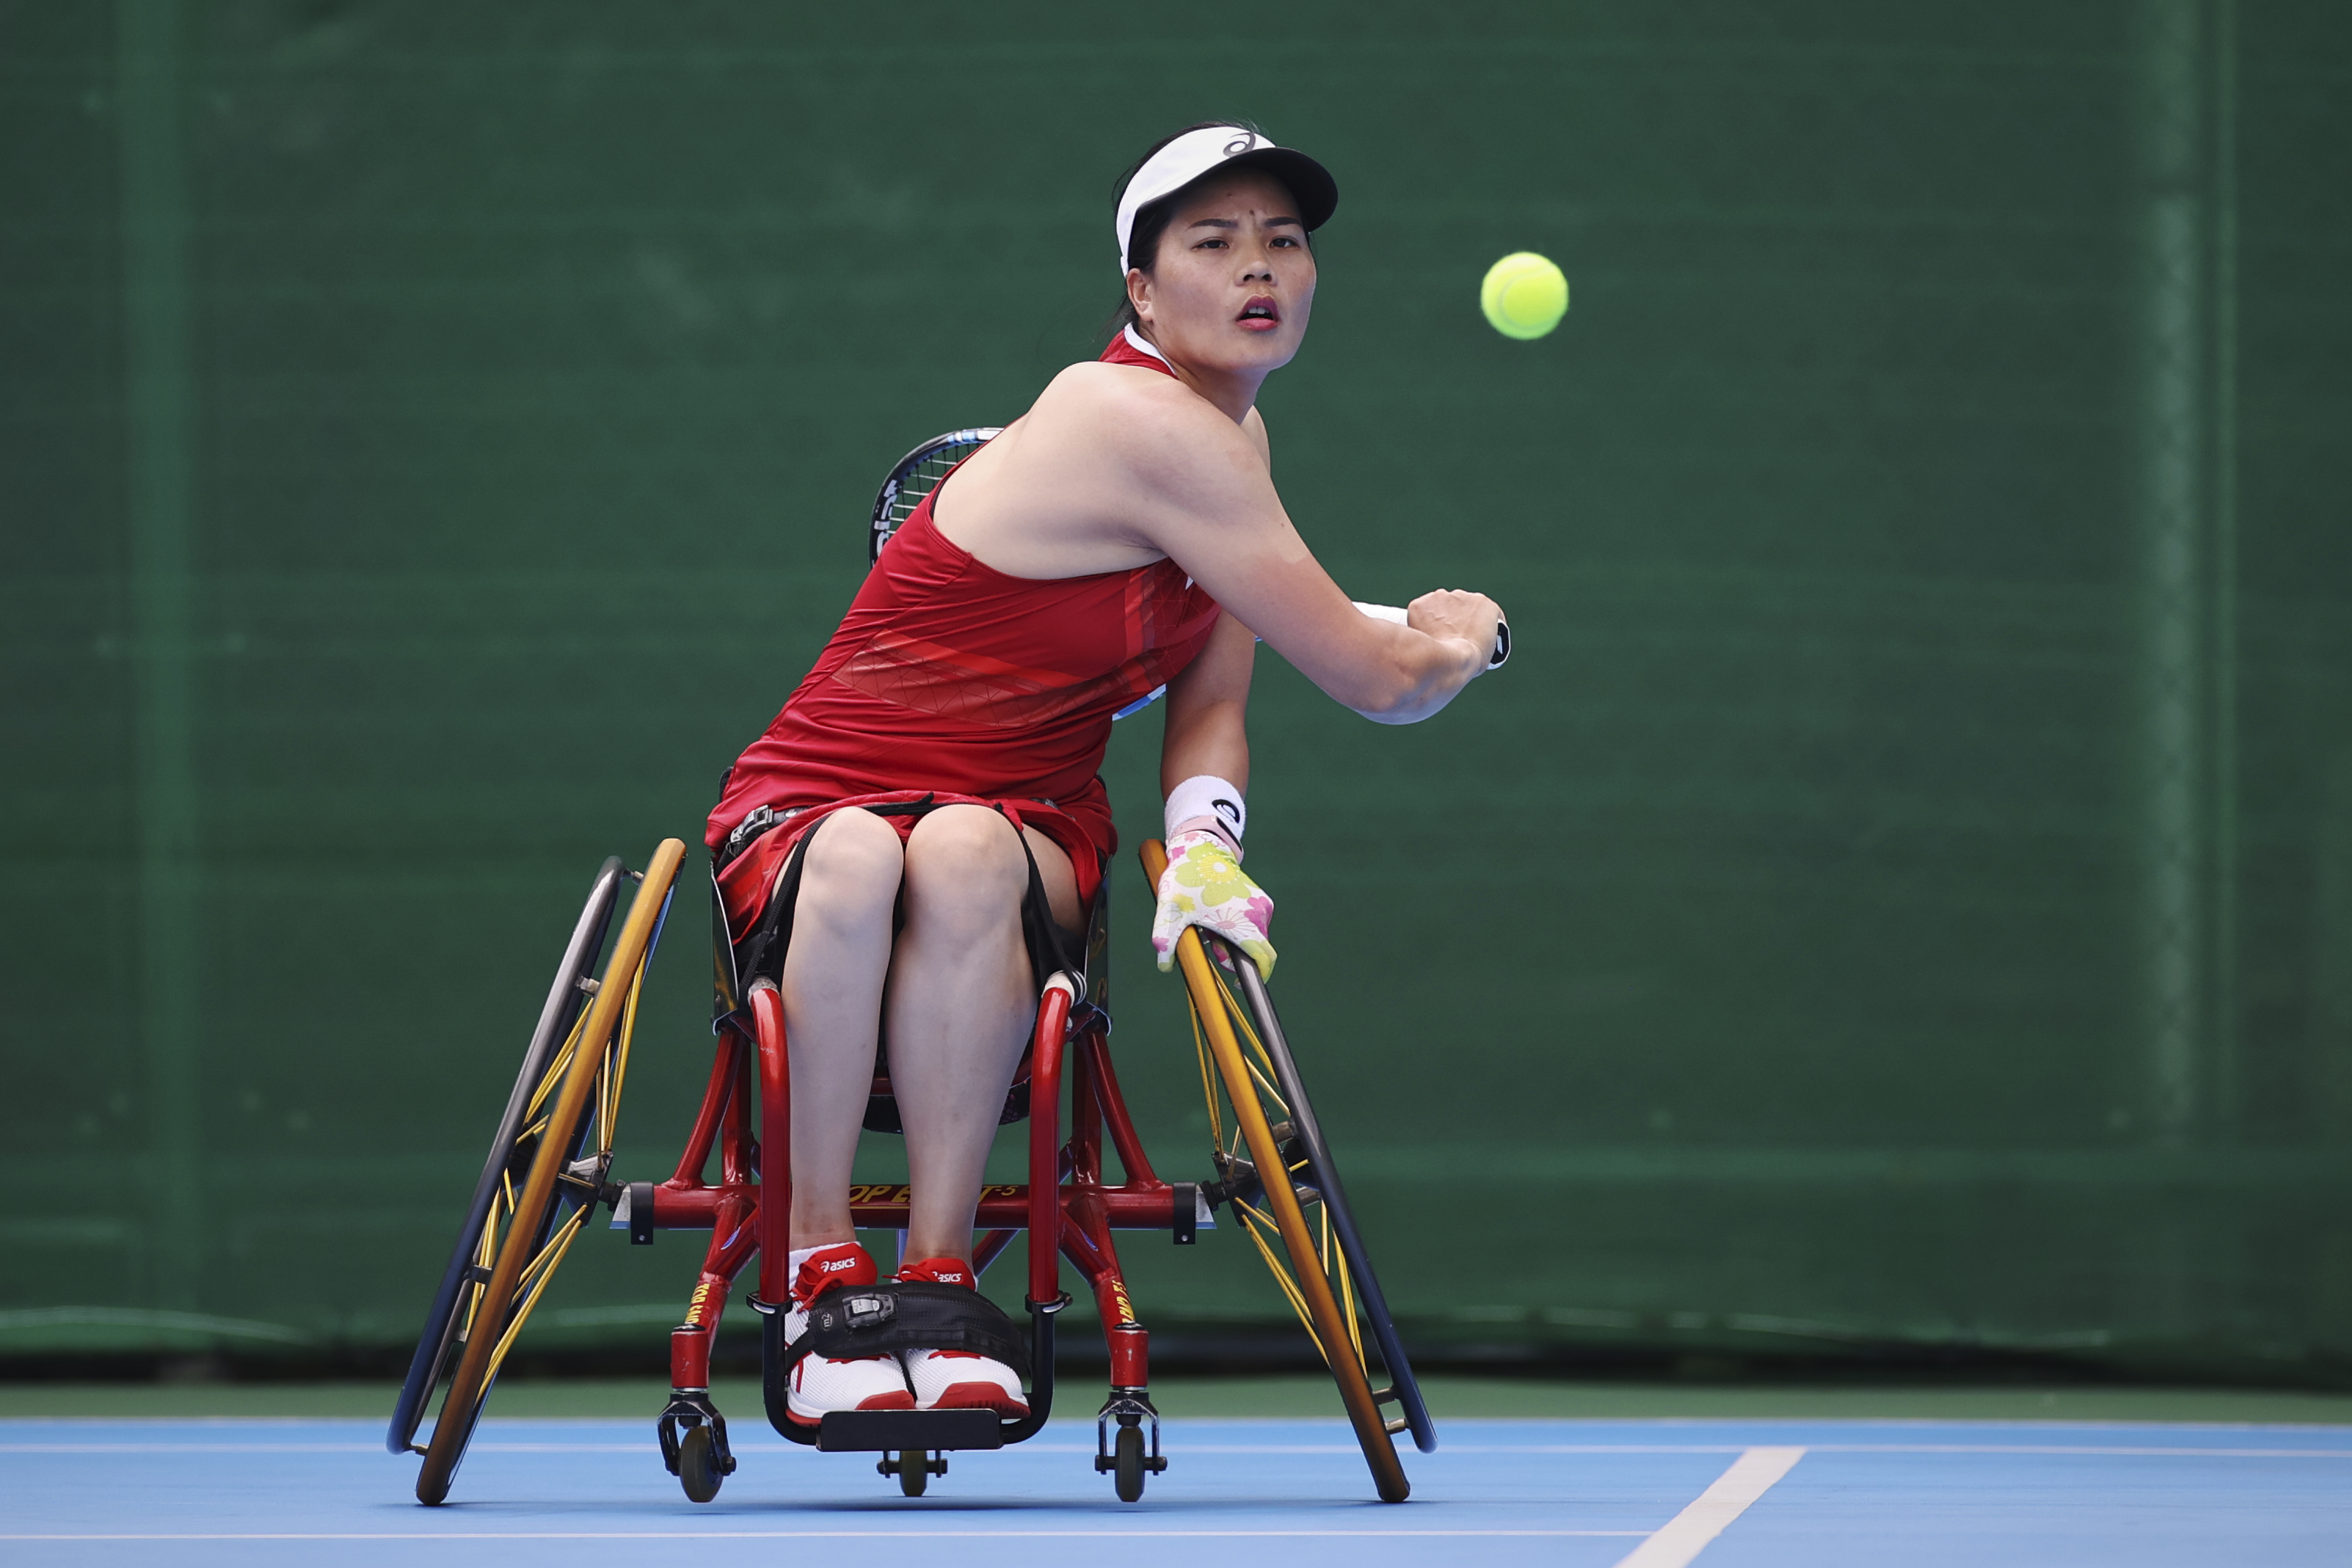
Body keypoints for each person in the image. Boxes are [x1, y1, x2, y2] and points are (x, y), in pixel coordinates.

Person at [705, 122, 1504, 1425]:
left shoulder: (1233, 447)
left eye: (1283, 241)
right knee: (858, 848)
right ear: (1140, 287)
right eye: (1213, 242)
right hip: (810, 800)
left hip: (1020, 818)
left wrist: (1205, 850)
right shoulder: (1125, 415)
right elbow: (1380, 678)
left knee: (963, 844)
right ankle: (814, 1274)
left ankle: (940, 1278)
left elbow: (1213, 703)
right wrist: (1463, 638)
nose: (1259, 267)